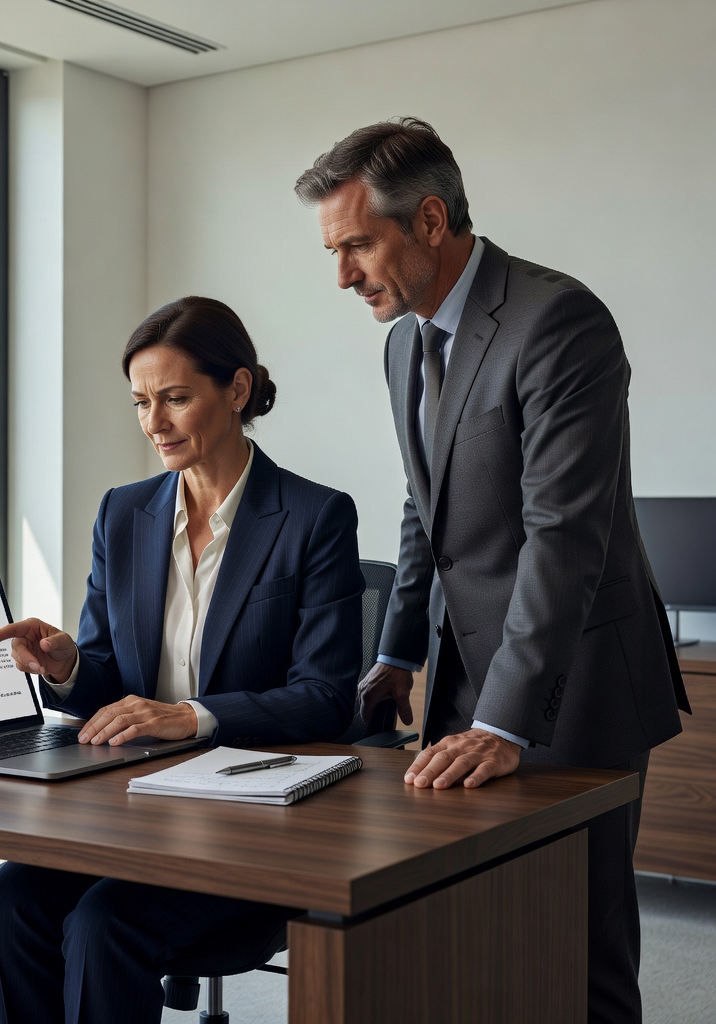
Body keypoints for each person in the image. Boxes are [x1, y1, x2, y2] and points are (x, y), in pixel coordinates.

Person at [294, 117, 690, 1024]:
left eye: (357, 244)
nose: (343, 276)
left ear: (430, 220)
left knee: (579, 947)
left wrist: (507, 721)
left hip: (571, 686)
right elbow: (422, 508)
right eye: (334, 249)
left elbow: (565, 536)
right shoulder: (402, 342)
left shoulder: (559, 320)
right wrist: (395, 654)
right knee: (471, 933)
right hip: (460, 682)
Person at [0, 294, 364, 1024]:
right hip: (131, 809)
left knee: (103, 923)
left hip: (252, 820)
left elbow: (326, 698)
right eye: (142, 402)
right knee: (6, 903)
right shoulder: (123, 513)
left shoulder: (315, 516)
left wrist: (191, 717)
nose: (155, 423)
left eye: (176, 398)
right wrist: (65, 668)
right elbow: (112, 687)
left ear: (237, 389)